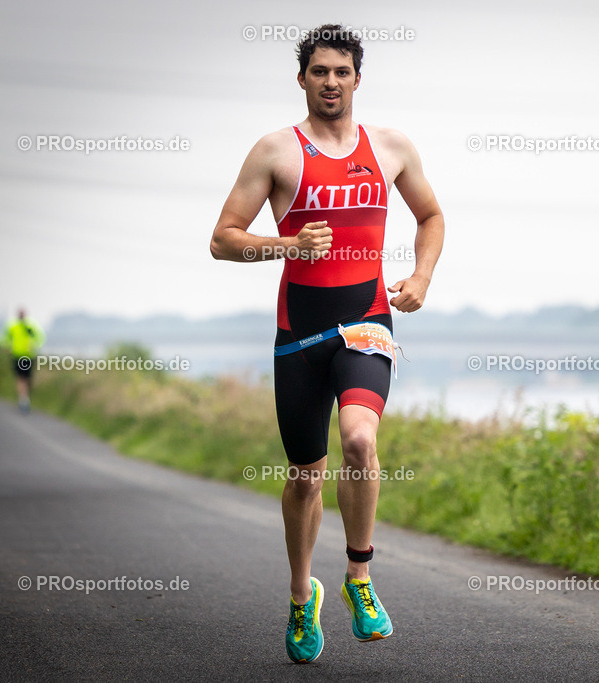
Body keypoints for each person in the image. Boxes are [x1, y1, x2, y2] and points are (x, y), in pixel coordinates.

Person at [209, 23, 444, 664]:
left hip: (366, 320)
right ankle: (299, 593)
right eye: (320, 72)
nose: (331, 82)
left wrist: (420, 276)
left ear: (358, 79)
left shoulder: (390, 146)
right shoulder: (275, 152)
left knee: (362, 439)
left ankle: (359, 577)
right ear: (302, 78)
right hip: (298, 334)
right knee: (305, 477)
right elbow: (223, 237)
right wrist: (287, 244)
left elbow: (430, 215)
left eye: (342, 72)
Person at [0, 309, 45, 414]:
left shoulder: (31, 326)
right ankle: (23, 400)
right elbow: (3, 339)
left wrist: (34, 346)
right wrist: (8, 347)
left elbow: (40, 337)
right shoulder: (12, 326)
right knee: (20, 377)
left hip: (29, 355)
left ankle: (25, 397)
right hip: (17, 355)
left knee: (28, 379)